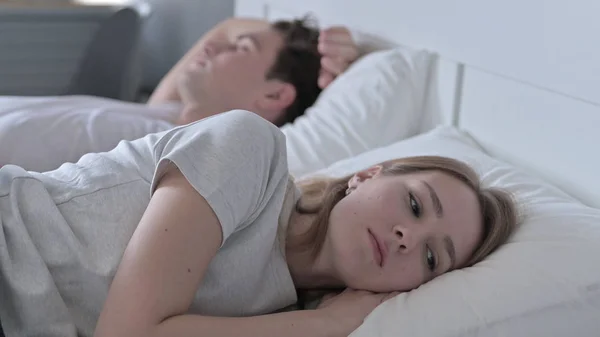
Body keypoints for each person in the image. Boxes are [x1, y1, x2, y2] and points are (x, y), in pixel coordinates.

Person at [0, 110, 518, 337]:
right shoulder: (252, 150)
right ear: (365, 175)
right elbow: (127, 334)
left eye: (432, 257)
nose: (410, 237)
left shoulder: (281, 315)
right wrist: (324, 327)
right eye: (413, 205)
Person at [0, 16, 359, 172]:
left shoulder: (178, 152)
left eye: (242, 48)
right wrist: (322, 45)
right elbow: (226, 27)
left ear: (272, 96)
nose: (214, 46)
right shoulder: (170, 111)